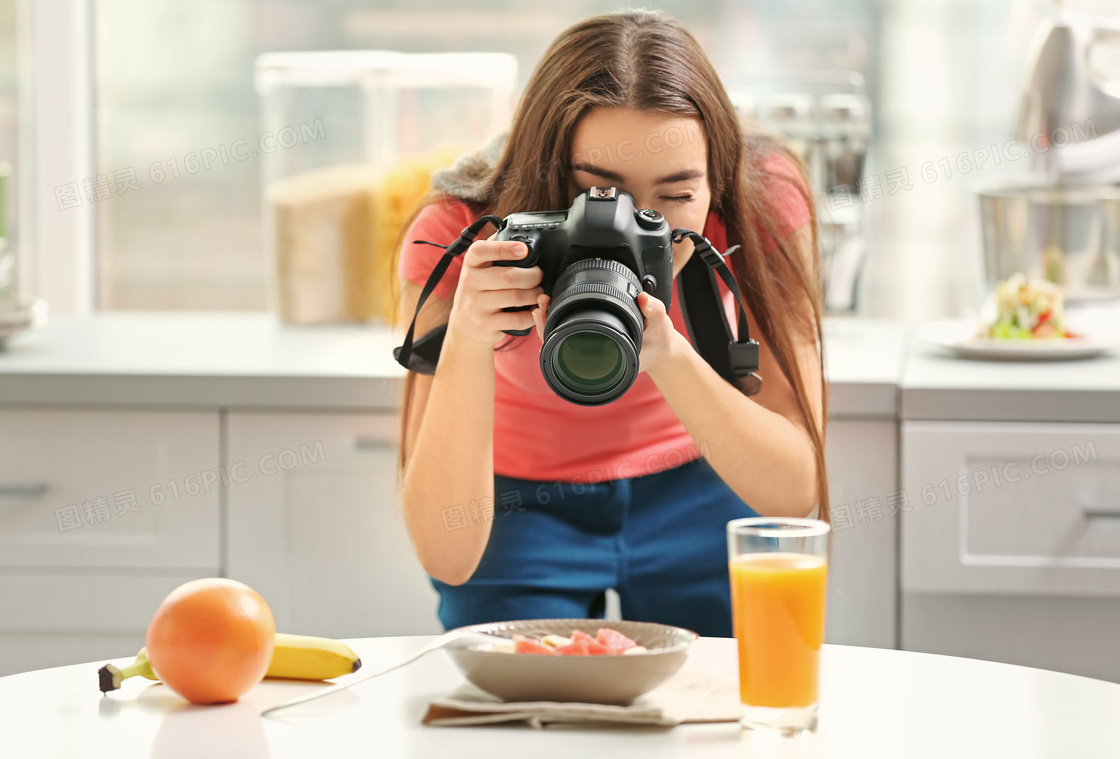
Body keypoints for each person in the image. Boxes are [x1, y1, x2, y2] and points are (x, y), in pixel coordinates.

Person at [391, 9, 829, 638]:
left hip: (704, 477)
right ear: (545, 176)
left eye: (676, 198)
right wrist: (464, 340)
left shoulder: (761, 202)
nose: (633, 229)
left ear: (715, 185)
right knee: (524, 720)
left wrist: (672, 356)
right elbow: (447, 555)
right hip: (519, 500)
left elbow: (793, 495)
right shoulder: (456, 232)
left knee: (728, 710)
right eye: (601, 195)